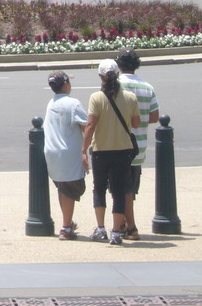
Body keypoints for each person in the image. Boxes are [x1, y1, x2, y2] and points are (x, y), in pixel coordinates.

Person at [82, 58, 140, 245]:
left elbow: (90, 125)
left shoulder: (96, 98)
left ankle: (101, 229)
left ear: (100, 76)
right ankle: (116, 231)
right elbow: (135, 123)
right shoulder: (130, 97)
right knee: (119, 190)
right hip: (123, 149)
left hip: (101, 150)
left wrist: (84, 150)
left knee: (99, 189)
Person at [115, 48, 161, 241]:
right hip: (138, 143)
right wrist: (138, 119)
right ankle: (125, 222)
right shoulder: (147, 87)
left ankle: (128, 226)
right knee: (130, 187)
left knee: (121, 187)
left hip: (117, 143)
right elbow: (154, 117)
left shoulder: (115, 85)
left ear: (119, 65)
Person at [43, 71, 89, 240]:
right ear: (65, 84)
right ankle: (66, 228)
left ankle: (66, 223)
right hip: (68, 153)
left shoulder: (51, 103)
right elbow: (86, 126)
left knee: (62, 188)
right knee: (70, 189)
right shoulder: (73, 103)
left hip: (52, 152)